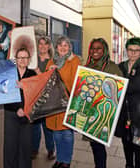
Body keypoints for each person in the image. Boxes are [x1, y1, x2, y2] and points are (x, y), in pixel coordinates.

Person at [85, 38, 122, 168]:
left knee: (98, 145)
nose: (95, 51)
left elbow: (119, 90)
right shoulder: (88, 66)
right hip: (90, 112)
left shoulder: (112, 67)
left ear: (104, 50)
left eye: (98, 48)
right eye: (93, 48)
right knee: (94, 145)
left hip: (103, 112)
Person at [115, 37, 140, 168]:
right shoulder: (121, 66)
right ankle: (128, 164)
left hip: (138, 111)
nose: (133, 53)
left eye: (136, 50)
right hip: (124, 110)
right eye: (130, 50)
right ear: (127, 50)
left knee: (138, 142)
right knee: (126, 141)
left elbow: (139, 87)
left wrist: (119, 84)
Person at [46, 36, 81, 168]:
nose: (63, 47)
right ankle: (59, 159)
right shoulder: (51, 61)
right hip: (53, 105)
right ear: (56, 47)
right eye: (60, 45)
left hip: (67, 102)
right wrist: (50, 72)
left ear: (69, 47)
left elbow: (76, 81)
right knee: (56, 134)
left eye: (66, 45)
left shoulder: (74, 60)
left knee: (66, 134)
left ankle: (66, 161)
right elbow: (46, 81)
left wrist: (58, 73)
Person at [3, 47, 36, 168]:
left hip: (27, 114)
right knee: (10, 146)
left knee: (25, 146)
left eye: (25, 57)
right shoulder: (9, 74)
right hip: (11, 113)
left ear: (29, 60)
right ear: (15, 59)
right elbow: (4, 94)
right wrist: (17, 108)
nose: (22, 60)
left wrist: (26, 87)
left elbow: (36, 95)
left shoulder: (32, 74)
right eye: (19, 57)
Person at [31, 36, 55, 160]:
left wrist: (38, 71)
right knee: (35, 126)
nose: (42, 46)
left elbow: (50, 80)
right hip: (34, 96)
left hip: (48, 98)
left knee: (48, 126)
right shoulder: (32, 60)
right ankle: (34, 149)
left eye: (45, 44)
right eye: (40, 44)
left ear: (49, 46)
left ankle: (50, 150)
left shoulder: (53, 61)